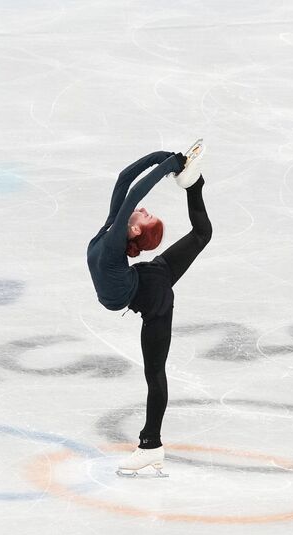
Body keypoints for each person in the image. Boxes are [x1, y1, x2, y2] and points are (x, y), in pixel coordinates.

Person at [86, 144, 210, 477]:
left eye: (146, 215)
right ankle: (194, 184)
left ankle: (151, 446)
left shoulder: (112, 246)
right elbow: (124, 180)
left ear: (137, 230)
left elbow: (135, 191)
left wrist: (168, 165)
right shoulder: (112, 229)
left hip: (155, 301)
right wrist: (159, 156)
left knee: (154, 375)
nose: (142, 209)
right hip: (148, 277)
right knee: (202, 234)